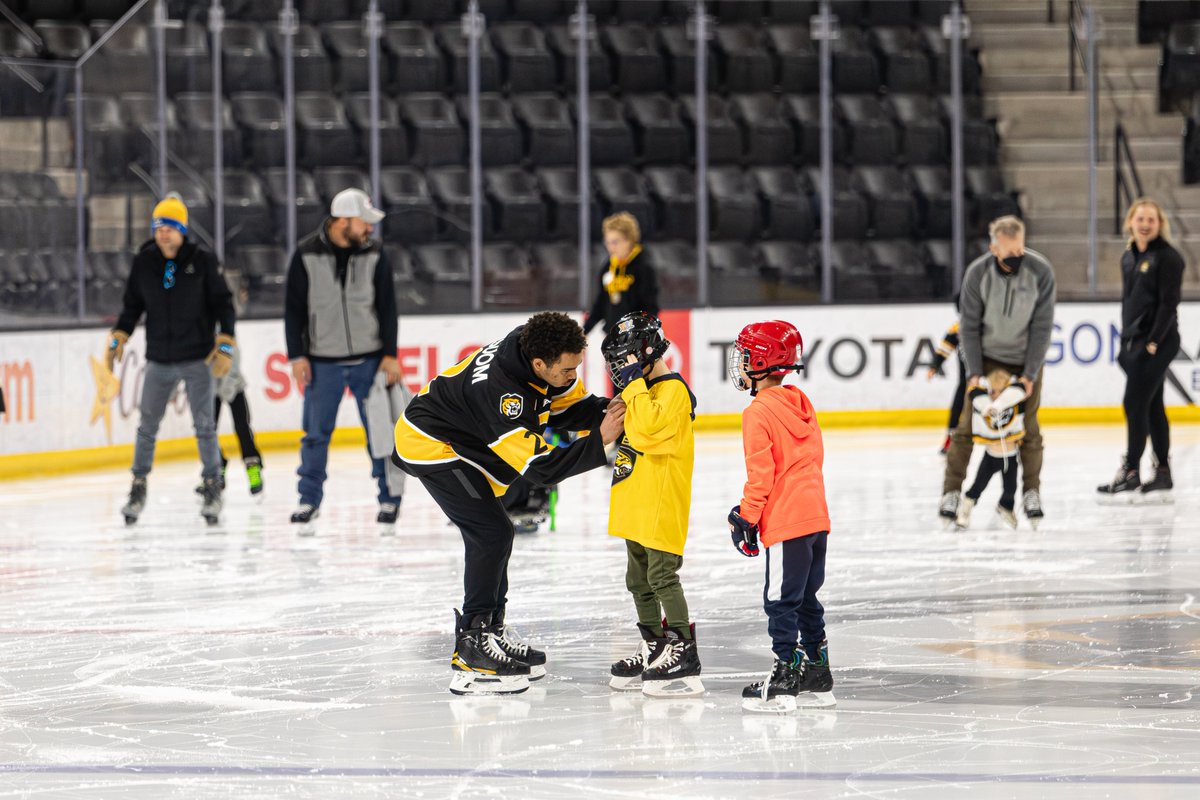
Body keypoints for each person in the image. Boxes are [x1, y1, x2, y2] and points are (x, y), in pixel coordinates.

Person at [393, 311, 625, 696]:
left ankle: (491, 633)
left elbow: (568, 406)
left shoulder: (536, 346)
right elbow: (544, 469)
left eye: (576, 368)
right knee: (491, 531)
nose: (573, 376)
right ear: (539, 364)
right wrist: (599, 440)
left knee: (496, 532)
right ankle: (473, 649)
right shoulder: (506, 397)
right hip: (430, 442)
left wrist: (614, 409)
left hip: (463, 436)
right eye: (568, 370)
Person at [724, 320, 836, 712]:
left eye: (744, 356)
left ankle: (787, 672)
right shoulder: (800, 403)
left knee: (780, 601)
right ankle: (817, 671)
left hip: (787, 521)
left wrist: (746, 518)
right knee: (806, 596)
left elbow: (762, 475)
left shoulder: (757, 412)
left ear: (760, 360)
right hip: (816, 518)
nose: (738, 364)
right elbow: (810, 460)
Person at [106, 194, 236, 526]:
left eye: (170, 227)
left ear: (182, 230)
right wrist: (121, 333)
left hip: (197, 358)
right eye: (158, 227)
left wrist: (225, 343)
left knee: (205, 426)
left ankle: (212, 485)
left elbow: (224, 303)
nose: (163, 233)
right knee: (147, 427)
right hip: (159, 360)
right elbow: (132, 304)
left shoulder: (202, 260)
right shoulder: (145, 260)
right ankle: (138, 486)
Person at [284, 188, 402, 529]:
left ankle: (389, 498)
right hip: (322, 362)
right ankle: (308, 499)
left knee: (380, 433)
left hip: (370, 361)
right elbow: (293, 311)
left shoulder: (376, 253)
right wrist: (297, 356)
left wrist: (390, 354)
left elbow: (388, 308)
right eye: (364, 223)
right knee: (315, 435)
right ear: (342, 221)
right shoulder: (305, 254)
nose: (369, 229)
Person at [602, 312, 703, 698]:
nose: (620, 372)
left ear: (644, 353)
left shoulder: (672, 392)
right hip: (636, 504)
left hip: (660, 504)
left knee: (662, 577)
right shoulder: (641, 391)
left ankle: (683, 650)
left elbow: (645, 431)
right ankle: (655, 645)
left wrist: (632, 388)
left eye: (623, 361)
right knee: (638, 581)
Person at [939, 216, 1055, 529]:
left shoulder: (1040, 271)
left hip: (1025, 360)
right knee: (966, 428)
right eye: (1009, 253)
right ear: (993, 248)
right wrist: (975, 372)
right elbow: (969, 325)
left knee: (1028, 428)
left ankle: (1031, 492)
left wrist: (1029, 373)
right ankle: (951, 493)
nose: (1017, 258)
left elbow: (1042, 326)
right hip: (987, 358)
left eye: (1020, 250)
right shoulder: (977, 273)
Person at [1097, 198, 1185, 501]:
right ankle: (1162, 473)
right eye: (1140, 219)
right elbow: (1128, 301)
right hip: (1134, 342)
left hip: (1158, 342)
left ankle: (1131, 470)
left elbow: (1168, 304)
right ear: (1131, 222)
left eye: (1151, 220)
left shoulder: (1169, 258)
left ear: (1160, 224)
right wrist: (1126, 340)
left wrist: (1153, 342)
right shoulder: (1129, 256)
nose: (1145, 224)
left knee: (1133, 403)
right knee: (1152, 405)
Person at [954, 368, 1029, 530]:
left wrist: (1002, 403)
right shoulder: (983, 405)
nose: (995, 395)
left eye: (1000, 392)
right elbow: (974, 393)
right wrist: (988, 407)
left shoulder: (1015, 404)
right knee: (978, 486)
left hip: (1010, 457)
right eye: (992, 391)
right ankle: (966, 506)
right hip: (990, 458)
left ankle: (1005, 506)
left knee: (1011, 489)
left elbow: (1021, 389)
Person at [582, 212, 659, 337]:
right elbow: (601, 303)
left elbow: (650, 306)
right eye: (607, 242)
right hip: (612, 335)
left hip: (636, 336)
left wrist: (641, 334)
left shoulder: (643, 266)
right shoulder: (608, 267)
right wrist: (584, 331)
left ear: (629, 240)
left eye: (615, 242)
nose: (611, 247)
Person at [927, 296, 966, 455]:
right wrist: (935, 365)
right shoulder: (958, 328)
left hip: (988, 377)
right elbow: (945, 348)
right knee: (957, 407)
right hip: (967, 380)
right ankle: (951, 439)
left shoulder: (986, 325)